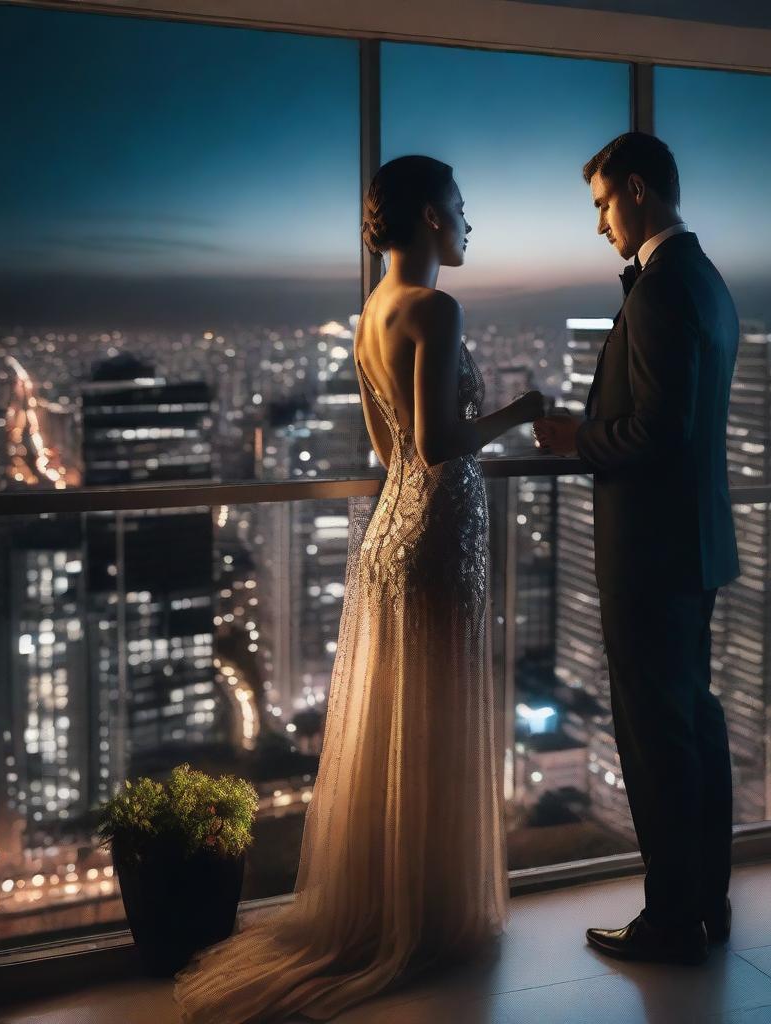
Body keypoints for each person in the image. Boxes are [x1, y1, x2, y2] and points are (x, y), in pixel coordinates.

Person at [172, 155, 546, 1022]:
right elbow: (441, 442)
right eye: (459, 207)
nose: (468, 222)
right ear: (427, 215)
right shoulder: (436, 308)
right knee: (434, 718)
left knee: (398, 720)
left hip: (390, 534)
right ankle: (426, 917)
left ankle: (392, 908)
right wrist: (522, 414)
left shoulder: (371, 314)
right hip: (439, 530)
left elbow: (389, 455)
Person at [533, 131, 740, 966]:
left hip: (651, 556)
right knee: (695, 725)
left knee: (656, 740)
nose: (598, 225)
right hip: (694, 547)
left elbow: (657, 431)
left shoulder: (660, 290)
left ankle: (669, 919)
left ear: (637, 190)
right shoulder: (709, 281)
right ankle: (705, 897)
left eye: (601, 204)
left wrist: (575, 439)